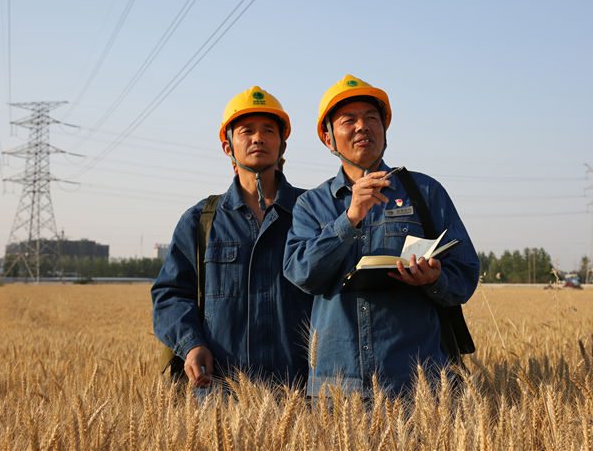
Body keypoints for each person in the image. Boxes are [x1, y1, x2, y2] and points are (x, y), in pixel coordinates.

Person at [283, 74, 479, 397]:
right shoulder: (311, 205)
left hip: (418, 389)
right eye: (349, 120)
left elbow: (466, 272)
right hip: (337, 392)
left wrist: (433, 279)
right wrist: (349, 220)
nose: (362, 127)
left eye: (371, 118)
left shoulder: (426, 193)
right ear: (329, 139)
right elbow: (301, 273)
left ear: (384, 131)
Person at [152, 86, 312, 390]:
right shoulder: (201, 221)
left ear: (282, 145)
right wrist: (190, 344)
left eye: (268, 130)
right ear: (228, 146)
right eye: (246, 131)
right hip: (222, 397)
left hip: (301, 393)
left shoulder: (312, 213)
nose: (257, 138)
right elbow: (170, 295)